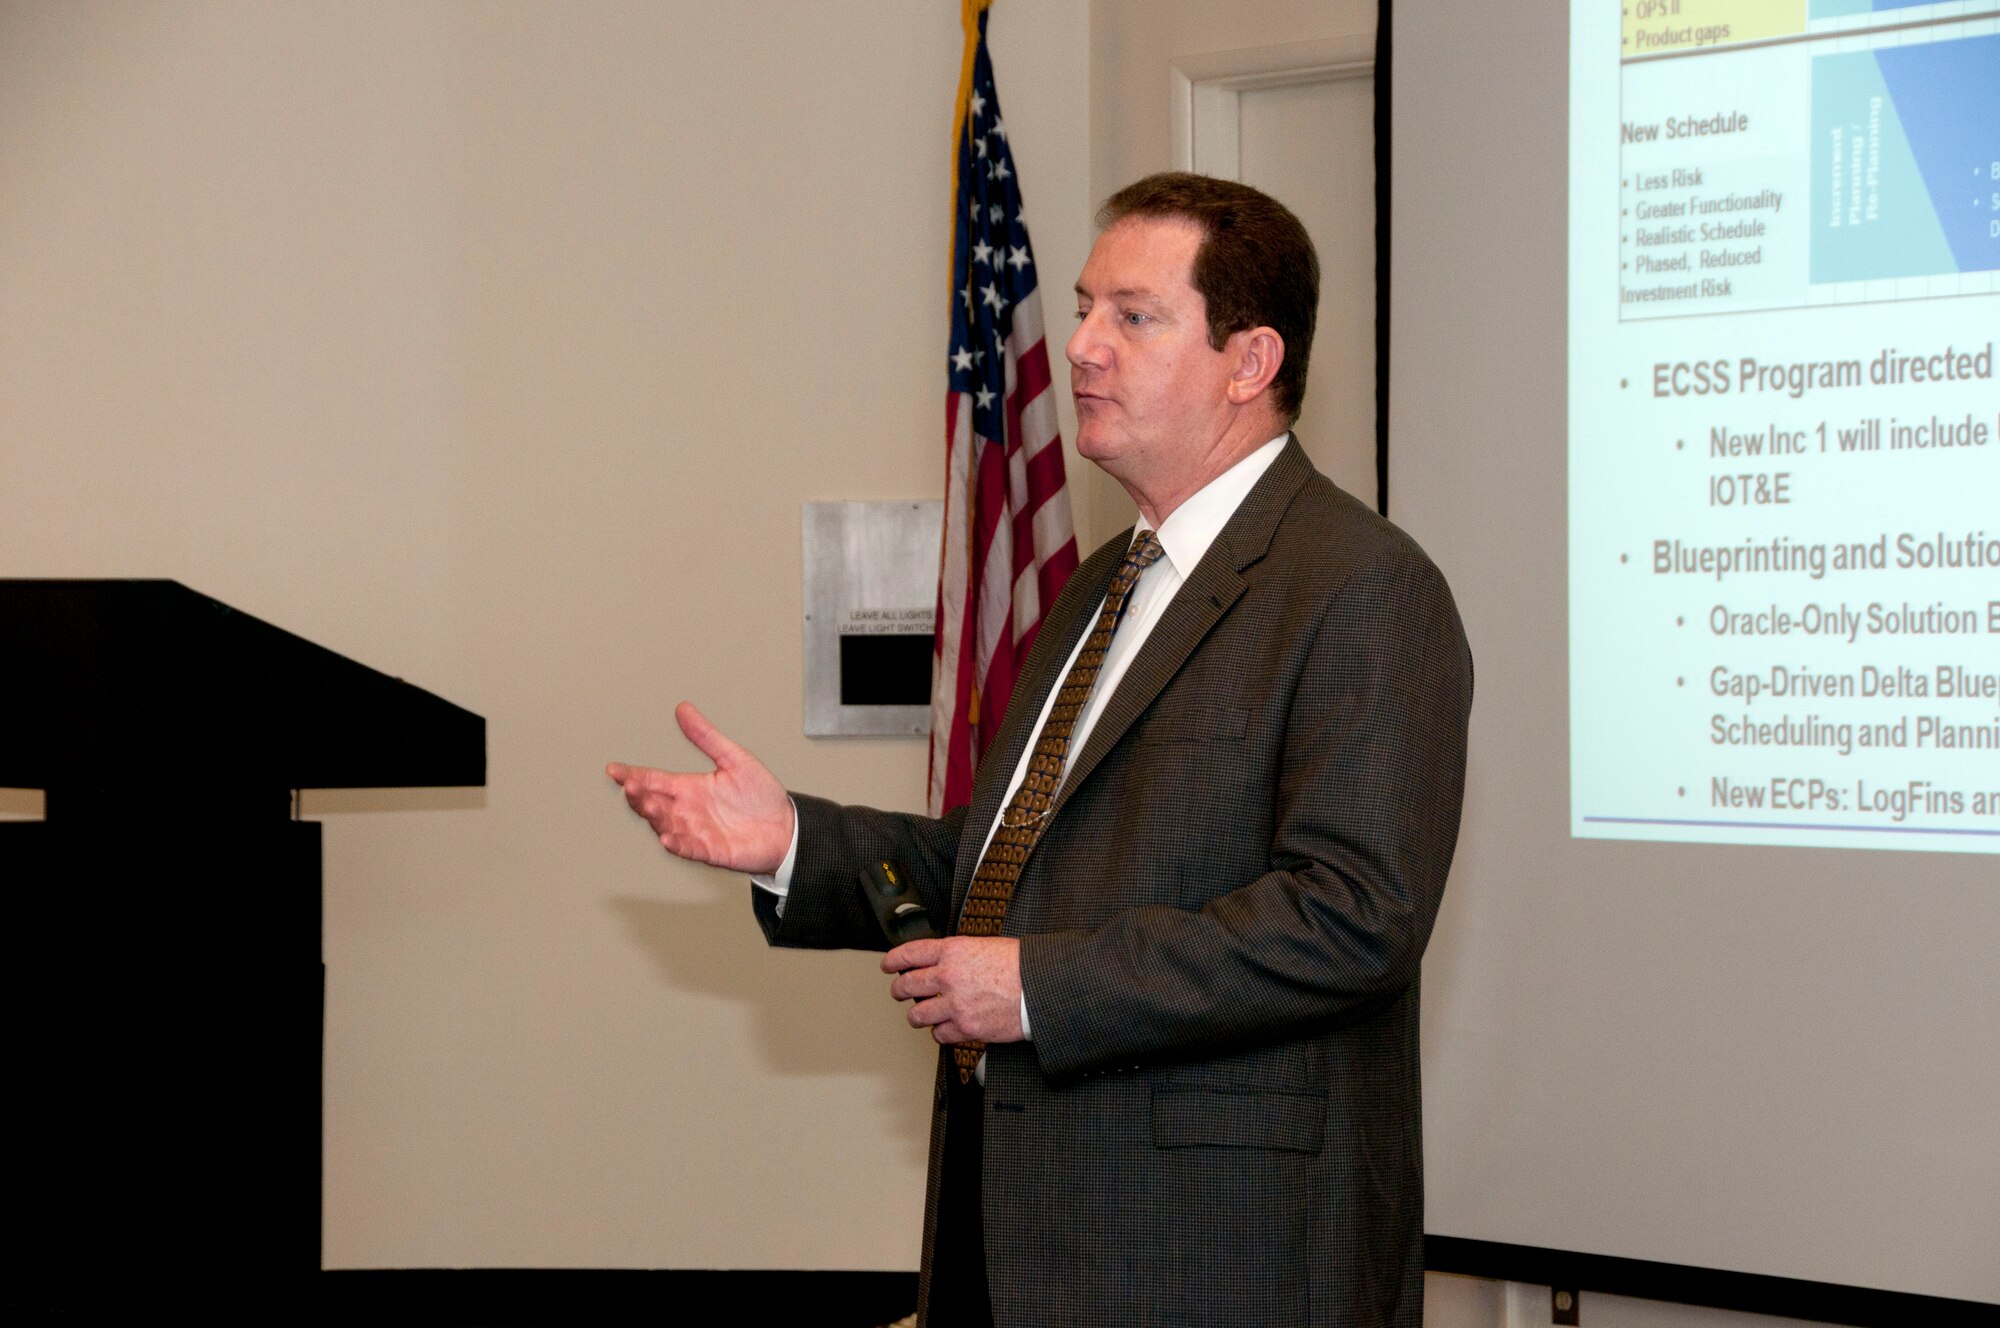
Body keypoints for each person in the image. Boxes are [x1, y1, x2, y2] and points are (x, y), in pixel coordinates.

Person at [608, 172, 1472, 1328]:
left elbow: (1351, 915)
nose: (1079, 347)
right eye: (1081, 308)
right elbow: (1013, 866)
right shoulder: (1098, 590)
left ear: (1247, 361)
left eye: (1132, 314)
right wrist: (795, 842)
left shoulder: (1359, 587)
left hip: (1220, 1258)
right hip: (1020, 1239)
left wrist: (1034, 988)